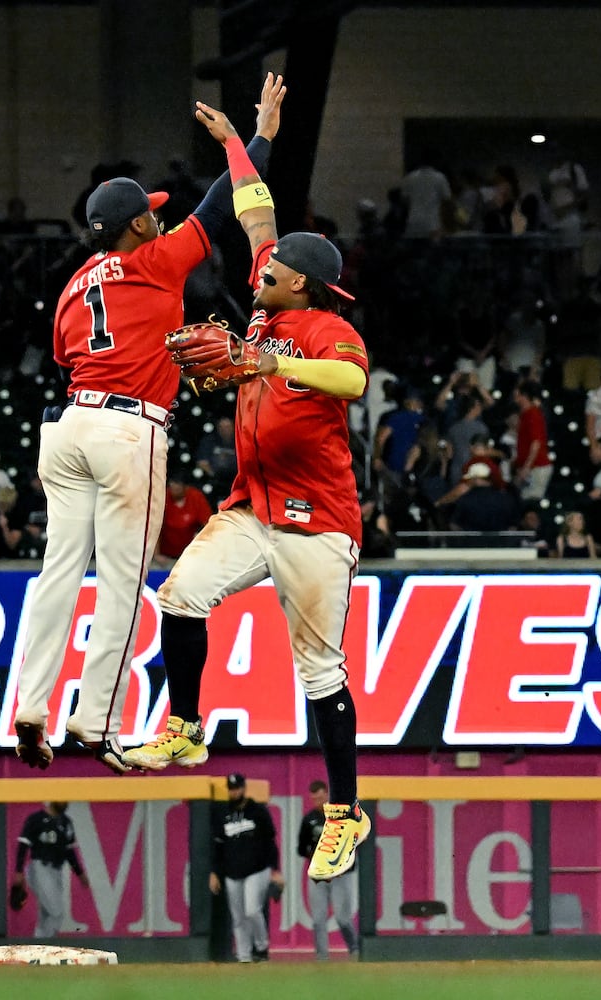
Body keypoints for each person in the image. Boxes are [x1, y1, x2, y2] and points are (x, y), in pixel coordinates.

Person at [12, 74, 286, 775]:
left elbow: (70, 356)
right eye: (151, 215)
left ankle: (30, 708)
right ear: (136, 226)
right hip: (128, 432)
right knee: (122, 584)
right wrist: (250, 139)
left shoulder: (75, 283)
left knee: (55, 576)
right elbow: (220, 208)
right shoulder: (155, 260)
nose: (160, 220)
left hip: (68, 427)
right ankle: (95, 722)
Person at [122, 114, 371, 884]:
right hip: (251, 507)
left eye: (271, 272)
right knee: (181, 597)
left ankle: (343, 813)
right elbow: (255, 208)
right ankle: (186, 726)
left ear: (300, 280)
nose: (256, 274)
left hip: (318, 524)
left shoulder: (327, 328)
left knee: (319, 675)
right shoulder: (268, 297)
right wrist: (244, 139)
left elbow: (353, 382)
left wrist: (272, 365)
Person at [210, 774, 283, 963]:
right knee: (238, 917)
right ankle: (244, 957)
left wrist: (275, 869)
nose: (234, 792)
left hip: (257, 869)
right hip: (232, 872)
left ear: (244, 788)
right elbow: (218, 846)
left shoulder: (257, 810)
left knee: (252, 910)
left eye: (237, 788)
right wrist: (214, 872)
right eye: (231, 788)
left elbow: (270, 842)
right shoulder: (224, 814)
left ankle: (261, 946)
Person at [297, 780, 359, 960]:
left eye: (320, 797)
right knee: (318, 919)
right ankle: (322, 956)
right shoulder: (309, 820)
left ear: (327, 795)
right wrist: (312, 852)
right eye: (314, 798)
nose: (318, 801)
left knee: (342, 917)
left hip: (340, 873)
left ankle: (354, 948)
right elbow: (301, 848)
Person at [13, 802, 89, 939]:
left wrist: (79, 873)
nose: (65, 802)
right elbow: (23, 845)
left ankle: (39, 947)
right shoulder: (36, 819)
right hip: (39, 868)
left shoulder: (66, 822)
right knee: (56, 912)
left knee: (46, 913)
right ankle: (44, 946)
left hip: (56, 871)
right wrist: (18, 871)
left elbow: (69, 852)